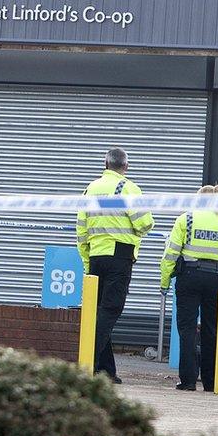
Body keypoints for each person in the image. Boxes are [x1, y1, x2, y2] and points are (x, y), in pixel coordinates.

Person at [76, 148, 154, 383]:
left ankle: (106, 370)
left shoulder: (90, 188)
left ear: (105, 164)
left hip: (96, 257)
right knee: (111, 311)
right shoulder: (128, 188)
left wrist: (86, 259)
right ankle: (86, 365)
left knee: (100, 312)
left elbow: (81, 228)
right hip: (120, 255)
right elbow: (145, 222)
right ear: (126, 167)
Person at [160, 185, 218, 392]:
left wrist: (165, 282)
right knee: (211, 329)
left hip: (188, 275)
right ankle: (211, 381)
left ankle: (187, 381)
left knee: (187, 329)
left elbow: (170, 254)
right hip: (215, 278)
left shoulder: (185, 219)